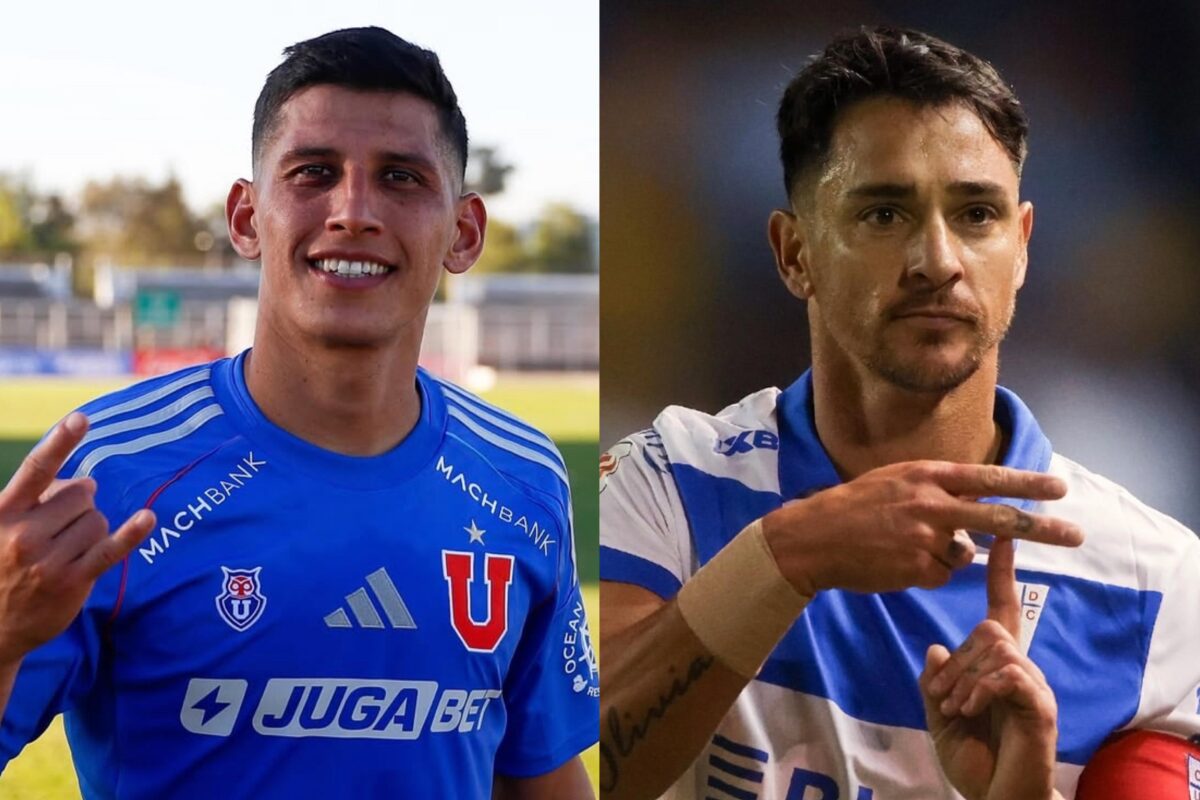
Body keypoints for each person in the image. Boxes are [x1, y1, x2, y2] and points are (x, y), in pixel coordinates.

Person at [599, 25, 1200, 800]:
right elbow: (566, 772)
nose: (938, 261)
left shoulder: (1160, 588)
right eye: (884, 214)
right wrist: (788, 556)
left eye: (977, 215)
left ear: (1021, 247)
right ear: (794, 253)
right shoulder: (666, 484)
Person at [0, 27, 597, 799]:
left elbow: (539, 774)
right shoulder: (113, 474)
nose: (353, 210)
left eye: (402, 178)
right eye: (314, 173)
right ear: (248, 218)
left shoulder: (523, 476)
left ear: (464, 231)